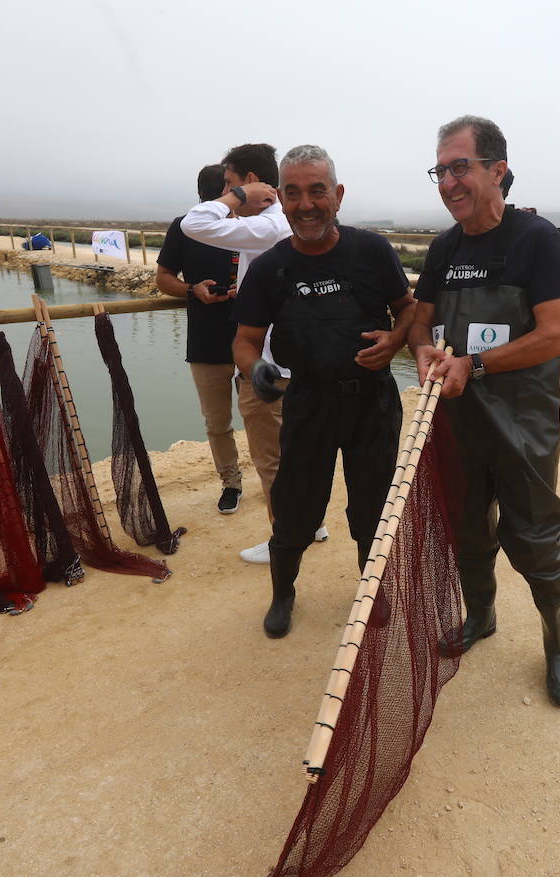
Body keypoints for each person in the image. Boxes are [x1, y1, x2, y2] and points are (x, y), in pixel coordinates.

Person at [408, 115, 560, 706]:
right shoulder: (444, 248)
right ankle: (480, 616)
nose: (449, 182)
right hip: (456, 423)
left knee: (534, 537)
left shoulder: (534, 240)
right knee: (467, 530)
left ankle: (558, 643)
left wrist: (474, 366)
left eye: (461, 167)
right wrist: (422, 349)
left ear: (497, 170)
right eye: (441, 170)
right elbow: (419, 316)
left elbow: (555, 335)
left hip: (523, 421)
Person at [232, 145, 414, 638]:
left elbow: (409, 308)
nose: (306, 204)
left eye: (317, 192)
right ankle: (283, 593)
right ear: (282, 200)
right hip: (308, 402)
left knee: (372, 509)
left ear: (337, 195)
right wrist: (256, 371)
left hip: (372, 404)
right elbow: (245, 340)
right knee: (295, 510)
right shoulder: (270, 267)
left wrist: (396, 339)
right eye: (293, 193)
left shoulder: (371, 251)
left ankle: (371, 591)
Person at [177, 142, 328, 562]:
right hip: (292, 361)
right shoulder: (277, 227)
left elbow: (196, 221)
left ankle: (285, 538)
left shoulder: (268, 226)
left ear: (249, 181)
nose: (224, 192)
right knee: (297, 450)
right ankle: (311, 523)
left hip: (268, 366)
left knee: (271, 458)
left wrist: (238, 198)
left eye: (229, 183)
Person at [155, 164, 242, 514]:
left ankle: (278, 480)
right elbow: (163, 277)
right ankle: (231, 483)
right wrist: (193, 288)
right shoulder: (185, 227)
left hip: (254, 340)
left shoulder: (249, 227)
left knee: (266, 417)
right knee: (217, 423)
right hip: (206, 343)